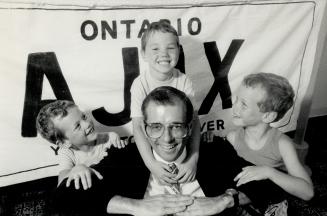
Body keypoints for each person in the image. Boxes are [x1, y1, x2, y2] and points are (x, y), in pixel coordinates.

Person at [56, 86, 285, 216]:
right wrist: (136, 206)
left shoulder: (214, 151)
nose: (166, 138)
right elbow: (64, 200)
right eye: (156, 127)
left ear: (189, 127)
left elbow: (267, 186)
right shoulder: (126, 158)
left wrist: (225, 201)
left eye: (176, 126)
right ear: (144, 129)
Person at [131, 20, 201, 186]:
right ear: (143, 53)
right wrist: (151, 164)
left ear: (178, 51)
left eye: (170, 48)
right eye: (155, 48)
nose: (164, 54)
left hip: (178, 147)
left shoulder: (183, 81)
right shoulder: (140, 84)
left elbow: (195, 122)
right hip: (153, 150)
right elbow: (138, 127)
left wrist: (193, 159)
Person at [227, 72, 314, 202]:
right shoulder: (233, 137)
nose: (235, 108)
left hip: (269, 194)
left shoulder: (282, 144)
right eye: (236, 100)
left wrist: (269, 172)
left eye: (243, 104)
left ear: (268, 116)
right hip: (244, 190)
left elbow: (308, 193)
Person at [36, 100, 127, 190]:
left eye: (84, 117)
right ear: (64, 143)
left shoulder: (109, 138)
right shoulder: (68, 153)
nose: (87, 124)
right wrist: (76, 170)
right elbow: (61, 183)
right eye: (77, 126)